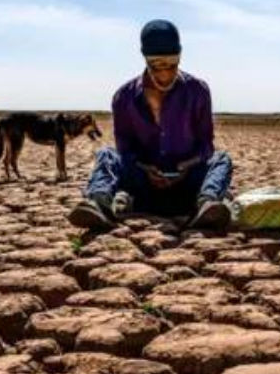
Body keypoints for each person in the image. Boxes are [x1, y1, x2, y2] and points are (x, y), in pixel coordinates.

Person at [68, 19, 233, 230]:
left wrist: (186, 166)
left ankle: (207, 205)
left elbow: (206, 145)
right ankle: (99, 204)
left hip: (187, 184)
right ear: (145, 58)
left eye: (172, 64)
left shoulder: (198, 91)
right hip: (143, 183)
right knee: (107, 155)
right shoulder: (124, 97)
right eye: (157, 65)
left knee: (221, 159)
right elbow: (125, 149)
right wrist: (146, 168)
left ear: (180, 56)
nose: (165, 74)